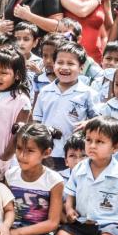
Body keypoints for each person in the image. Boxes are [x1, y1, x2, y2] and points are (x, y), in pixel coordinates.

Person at [33, 42, 98, 170]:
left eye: (70, 63)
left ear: (81, 67)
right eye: (60, 62)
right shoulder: (45, 91)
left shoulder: (88, 93)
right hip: (47, 152)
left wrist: (88, 123)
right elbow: (37, 120)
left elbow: (100, 119)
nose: (64, 67)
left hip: (75, 154)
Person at [58, 0, 112, 64]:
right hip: (69, 58)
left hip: (96, 59)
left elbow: (109, 25)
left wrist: (107, 3)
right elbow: (82, 11)